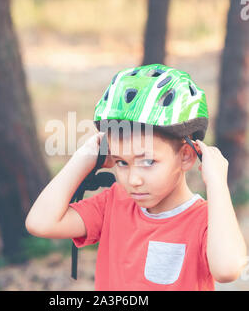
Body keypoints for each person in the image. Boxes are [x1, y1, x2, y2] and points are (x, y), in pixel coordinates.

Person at [25, 64, 247, 291]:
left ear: (186, 156)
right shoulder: (113, 204)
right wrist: (83, 157)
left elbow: (228, 269)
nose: (133, 180)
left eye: (148, 162)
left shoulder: (204, 220)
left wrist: (217, 183)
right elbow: (41, 223)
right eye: (122, 162)